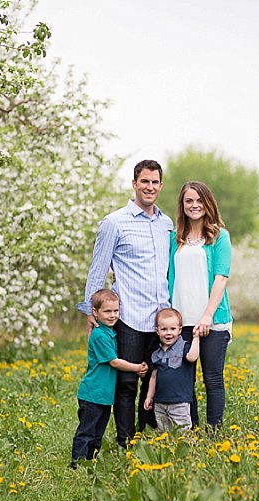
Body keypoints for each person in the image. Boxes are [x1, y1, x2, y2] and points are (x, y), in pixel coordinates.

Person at [77, 160, 173, 447]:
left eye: (155, 182)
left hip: (159, 319)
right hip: (129, 316)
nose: (150, 187)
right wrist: (90, 312)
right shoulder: (114, 222)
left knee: (154, 381)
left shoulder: (166, 224)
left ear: (160, 185)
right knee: (127, 384)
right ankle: (126, 443)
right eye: (145, 181)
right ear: (134, 184)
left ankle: (147, 438)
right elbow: (98, 269)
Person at [168, 181, 232, 429]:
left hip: (212, 320)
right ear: (182, 205)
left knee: (212, 378)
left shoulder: (219, 237)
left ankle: (214, 432)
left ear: (208, 203)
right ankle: (191, 431)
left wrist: (207, 315)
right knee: (186, 380)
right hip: (182, 321)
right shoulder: (176, 238)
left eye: (199, 200)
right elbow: (170, 278)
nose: (194, 205)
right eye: (188, 201)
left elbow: (221, 278)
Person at [71, 289, 148, 467]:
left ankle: (90, 460)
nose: (112, 315)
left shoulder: (111, 332)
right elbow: (113, 362)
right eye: (107, 311)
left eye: (116, 311)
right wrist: (137, 368)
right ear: (95, 313)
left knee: (98, 431)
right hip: (92, 394)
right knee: (87, 430)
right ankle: (77, 463)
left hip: (104, 396)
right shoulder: (100, 335)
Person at [143, 308, 200, 434]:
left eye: (172, 329)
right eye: (164, 329)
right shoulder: (156, 354)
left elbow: (192, 357)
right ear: (157, 331)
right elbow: (153, 377)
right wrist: (149, 397)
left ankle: (186, 451)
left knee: (183, 432)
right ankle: (167, 452)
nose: (168, 333)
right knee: (164, 432)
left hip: (180, 401)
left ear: (179, 330)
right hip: (160, 402)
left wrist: (196, 338)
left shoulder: (184, 346)